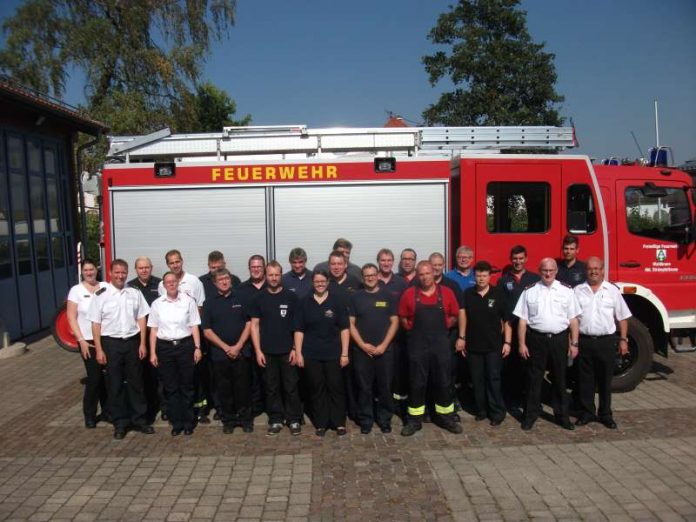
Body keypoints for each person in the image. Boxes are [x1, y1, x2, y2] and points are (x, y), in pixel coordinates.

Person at [513, 258, 580, 431]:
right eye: (544, 270)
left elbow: (573, 320)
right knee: (534, 380)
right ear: (539, 271)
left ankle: (562, 417)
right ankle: (530, 415)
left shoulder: (567, 291)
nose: (548, 273)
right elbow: (522, 320)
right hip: (536, 340)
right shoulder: (530, 291)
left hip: (559, 340)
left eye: (551, 270)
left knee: (560, 379)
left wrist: (574, 343)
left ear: (556, 271)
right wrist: (521, 343)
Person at [89, 259, 152, 439]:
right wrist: (99, 350)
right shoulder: (100, 294)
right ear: (110, 273)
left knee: (136, 383)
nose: (120, 275)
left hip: (132, 342)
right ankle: (120, 423)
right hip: (111, 343)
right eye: (117, 272)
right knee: (114, 384)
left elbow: (141, 318)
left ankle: (140, 420)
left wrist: (142, 343)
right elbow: (96, 324)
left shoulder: (134, 292)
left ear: (127, 273)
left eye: (123, 272)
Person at [398, 261, 462, 436]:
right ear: (417, 276)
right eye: (421, 274)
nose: (425, 277)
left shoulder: (447, 293)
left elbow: (454, 316)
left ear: (433, 273)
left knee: (443, 381)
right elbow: (403, 319)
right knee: (417, 383)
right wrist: (412, 330)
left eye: (428, 273)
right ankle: (414, 420)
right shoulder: (409, 294)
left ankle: (446, 417)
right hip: (417, 346)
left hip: (440, 345)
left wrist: (446, 326)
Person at [574, 256, 632, 429]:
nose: (593, 271)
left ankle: (605, 414)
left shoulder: (612, 291)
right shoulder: (578, 290)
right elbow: (573, 319)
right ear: (586, 271)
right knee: (585, 381)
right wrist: (574, 341)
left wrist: (623, 340)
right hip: (584, 341)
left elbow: (622, 317)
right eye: (590, 269)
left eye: (597, 268)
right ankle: (587, 413)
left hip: (606, 341)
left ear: (602, 270)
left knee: (605, 381)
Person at [293, 270, 350, 437]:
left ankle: (339, 422)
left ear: (328, 282)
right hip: (311, 355)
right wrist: (298, 353)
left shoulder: (337, 302)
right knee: (317, 389)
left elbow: (345, 329)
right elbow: (299, 330)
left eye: (323, 281)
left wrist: (345, 353)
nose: (320, 284)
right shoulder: (304, 302)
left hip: (333, 354)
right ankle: (321, 423)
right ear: (313, 282)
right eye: (317, 281)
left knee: (336, 388)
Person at [249, 261, 302, 436]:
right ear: (266, 275)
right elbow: (254, 326)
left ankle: (294, 419)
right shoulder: (258, 298)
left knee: (291, 386)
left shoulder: (291, 297)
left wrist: (295, 348)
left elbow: (297, 326)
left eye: (276, 275)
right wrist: (258, 351)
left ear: (281, 275)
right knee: (271, 388)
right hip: (267, 352)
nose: (273, 278)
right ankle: (276, 419)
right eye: (270, 275)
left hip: (288, 351)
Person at [148, 272, 202, 436]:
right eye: (168, 282)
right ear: (163, 285)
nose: (171, 284)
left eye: (174, 281)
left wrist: (197, 347)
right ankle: (176, 422)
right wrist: (152, 352)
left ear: (178, 283)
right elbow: (153, 329)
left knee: (186, 385)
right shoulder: (157, 304)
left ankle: (188, 421)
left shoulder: (188, 301)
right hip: (165, 348)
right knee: (171, 387)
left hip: (185, 346)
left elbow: (194, 325)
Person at [349, 263, 399, 434]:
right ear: (363, 278)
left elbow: (395, 322)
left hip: (385, 351)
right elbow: (351, 325)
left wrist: (384, 345)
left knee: (385, 386)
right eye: (366, 275)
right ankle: (366, 420)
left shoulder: (389, 296)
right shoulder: (356, 297)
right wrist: (363, 345)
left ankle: (384, 419)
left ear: (378, 275)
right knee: (364, 387)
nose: (370, 278)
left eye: (372, 275)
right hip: (362, 352)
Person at [202, 268, 253, 433]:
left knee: (243, 387)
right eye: (220, 279)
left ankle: (245, 419)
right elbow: (207, 330)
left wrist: (238, 346)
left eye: (226, 278)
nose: (224, 281)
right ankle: (229, 420)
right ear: (215, 283)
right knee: (224, 389)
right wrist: (225, 347)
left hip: (241, 351)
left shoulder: (242, 298)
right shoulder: (209, 303)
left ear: (231, 280)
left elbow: (249, 323)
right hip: (220, 354)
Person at [460, 261, 511, 426]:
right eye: (478, 275)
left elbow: (507, 320)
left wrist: (508, 342)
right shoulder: (468, 294)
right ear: (474, 277)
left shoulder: (498, 294)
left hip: (493, 347)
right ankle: (481, 410)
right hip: (473, 347)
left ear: (490, 276)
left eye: (484, 275)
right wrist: (462, 338)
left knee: (493, 379)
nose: (481, 279)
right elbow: (464, 317)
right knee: (477, 380)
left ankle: (497, 412)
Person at [66, 259, 109, 429]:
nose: (89, 272)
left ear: (96, 270)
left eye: (92, 269)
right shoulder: (76, 291)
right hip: (88, 341)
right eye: (86, 270)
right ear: (82, 272)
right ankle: (90, 415)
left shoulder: (105, 286)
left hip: (106, 338)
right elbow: (71, 317)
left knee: (108, 378)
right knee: (94, 378)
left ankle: (108, 411)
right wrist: (81, 340)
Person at [497, 245, 540, 406]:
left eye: (521, 258)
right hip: (510, 328)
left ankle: (529, 398)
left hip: (530, 330)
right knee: (510, 365)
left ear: (526, 259)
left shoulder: (535, 279)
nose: (518, 261)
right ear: (511, 259)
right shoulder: (503, 280)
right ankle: (512, 398)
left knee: (530, 365)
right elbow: (500, 308)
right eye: (515, 259)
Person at [128, 255, 163, 424]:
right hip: (140, 336)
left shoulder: (160, 284)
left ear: (151, 268)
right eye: (141, 268)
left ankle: (163, 406)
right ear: (136, 270)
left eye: (147, 267)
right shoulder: (130, 287)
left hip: (158, 334)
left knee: (160, 374)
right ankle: (147, 408)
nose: (144, 270)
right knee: (142, 375)